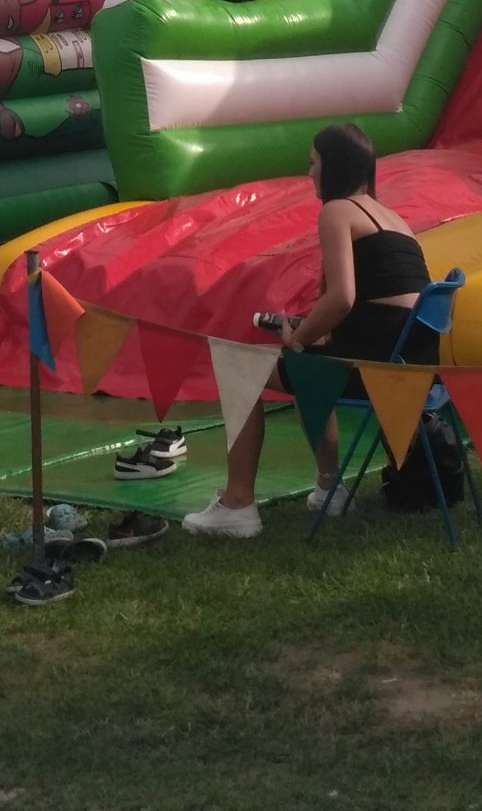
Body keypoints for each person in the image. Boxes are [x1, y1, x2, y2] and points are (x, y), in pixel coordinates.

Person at [185, 123, 433, 540]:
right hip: (412, 361)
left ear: (332, 166)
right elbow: (372, 299)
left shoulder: (337, 212)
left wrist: (297, 338)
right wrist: (312, 334)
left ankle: (237, 504)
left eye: (313, 162)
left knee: (236, 367)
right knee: (307, 367)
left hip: (375, 366)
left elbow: (342, 298)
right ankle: (329, 488)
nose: (309, 172)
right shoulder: (392, 218)